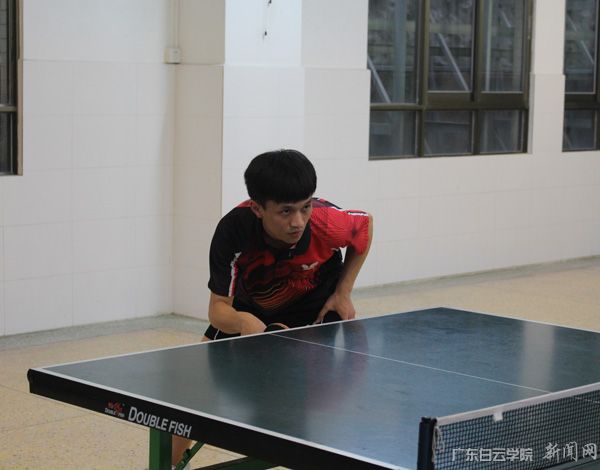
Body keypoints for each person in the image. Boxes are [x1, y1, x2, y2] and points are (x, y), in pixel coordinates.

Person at [171, 149, 373, 466]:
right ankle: (171, 462)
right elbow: (218, 310)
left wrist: (343, 292)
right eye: (285, 212)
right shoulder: (234, 231)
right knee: (192, 395)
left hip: (310, 311)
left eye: (305, 207)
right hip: (251, 309)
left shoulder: (327, 223)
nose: (298, 222)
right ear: (257, 208)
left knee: (295, 405)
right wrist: (243, 322)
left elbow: (364, 226)